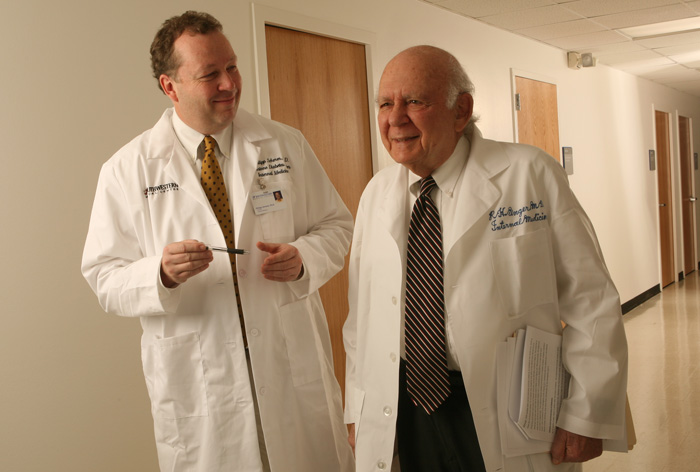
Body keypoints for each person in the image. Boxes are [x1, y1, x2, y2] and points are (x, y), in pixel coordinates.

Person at [81, 11, 354, 472]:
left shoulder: (284, 144)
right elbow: (102, 275)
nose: (229, 83)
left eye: (232, 67)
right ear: (170, 87)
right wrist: (159, 274)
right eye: (210, 74)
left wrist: (304, 258)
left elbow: (337, 226)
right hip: (201, 389)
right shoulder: (129, 169)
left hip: (289, 369)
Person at [343, 45, 628, 472]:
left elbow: (591, 299)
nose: (395, 118)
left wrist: (588, 412)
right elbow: (360, 318)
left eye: (415, 101)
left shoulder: (529, 173)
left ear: (462, 111)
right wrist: (357, 406)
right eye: (386, 103)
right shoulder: (376, 194)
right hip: (406, 406)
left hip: (510, 407)